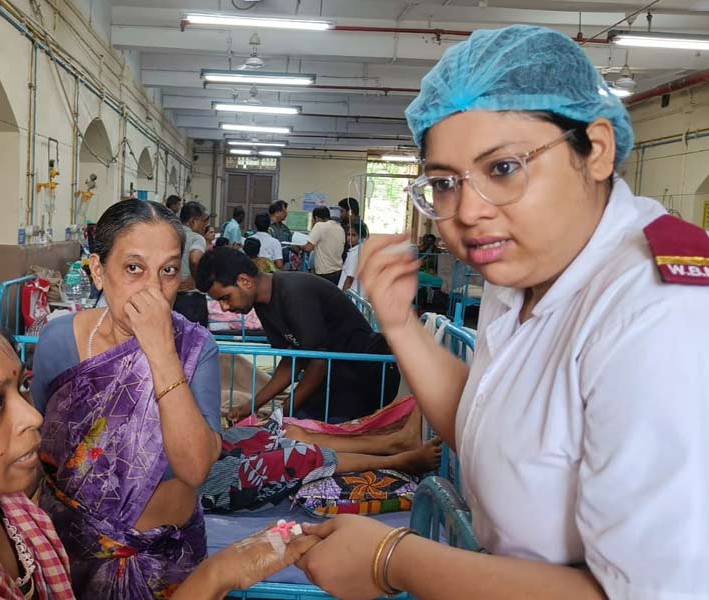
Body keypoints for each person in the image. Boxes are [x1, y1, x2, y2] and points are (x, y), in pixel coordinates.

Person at [294, 25, 709, 600]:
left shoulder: (661, 312)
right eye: (444, 183)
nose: (467, 212)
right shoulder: (526, 268)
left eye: (504, 169)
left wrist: (395, 559)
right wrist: (400, 324)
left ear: (597, 150)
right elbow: (488, 427)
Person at [0, 308, 321, 600]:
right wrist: (215, 578)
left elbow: (195, 463)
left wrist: (224, 570)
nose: (33, 417)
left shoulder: (20, 519)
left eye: (20, 387)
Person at [31, 200, 221, 598]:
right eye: (134, 268)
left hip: (163, 563)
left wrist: (161, 351)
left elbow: (195, 468)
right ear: (98, 271)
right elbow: (36, 450)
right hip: (68, 555)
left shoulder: (195, 348)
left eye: (168, 271)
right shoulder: (59, 341)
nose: (153, 290)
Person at [196, 248, 400, 424]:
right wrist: (250, 407)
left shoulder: (294, 294)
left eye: (225, 298)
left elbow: (318, 363)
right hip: (335, 376)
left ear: (244, 281)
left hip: (367, 377)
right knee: (294, 420)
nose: (223, 307)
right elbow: (292, 360)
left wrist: (280, 414)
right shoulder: (263, 304)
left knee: (299, 428)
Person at [201, 407, 442, 513]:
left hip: (208, 452)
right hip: (201, 481)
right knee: (300, 457)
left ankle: (394, 443)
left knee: (288, 432)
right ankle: (399, 461)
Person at [174, 200, 211, 326]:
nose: (205, 225)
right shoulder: (196, 238)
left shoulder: (170, 235)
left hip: (172, 298)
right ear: (193, 221)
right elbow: (195, 259)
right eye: (203, 221)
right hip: (192, 302)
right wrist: (196, 279)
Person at [300, 206, 346, 285]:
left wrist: (299, 246)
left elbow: (308, 248)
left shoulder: (319, 226)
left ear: (316, 218)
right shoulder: (340, 228)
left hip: (325, 273)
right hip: (338, 271)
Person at [338, 221, 369, 295]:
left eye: (354, 235)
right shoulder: (362, 249)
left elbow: (349, 278)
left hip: (351, 293)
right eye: (348, 234)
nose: (349, 238)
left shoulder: (355, 253)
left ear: (361, 237)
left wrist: (342, 297)